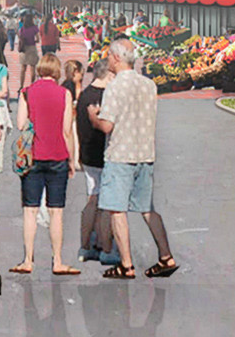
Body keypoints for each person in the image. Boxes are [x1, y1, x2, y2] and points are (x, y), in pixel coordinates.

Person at [88, 39, 178, 279]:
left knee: (117, 210)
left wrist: (94, 117)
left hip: (120, 155)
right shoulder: (149, 85)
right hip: (145, 153)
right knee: (147, 208)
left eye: (109, 56)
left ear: (117, 58)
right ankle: (166, 256)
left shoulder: (115, 87)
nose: (107, 60)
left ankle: (126, 265)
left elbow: (107, 126)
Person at [11, 54, 80, 276]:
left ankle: (28, 259)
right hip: (57, 155)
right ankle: (57, 260)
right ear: (57, 71)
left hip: (33, 157)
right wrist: (71, 160)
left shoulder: (27, 93)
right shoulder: (65, 94)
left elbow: (21, 124)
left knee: (30, 210)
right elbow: (67, 130)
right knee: (56, 211)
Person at [75, 62, 118, 266]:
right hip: (104, 155)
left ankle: (85, 245)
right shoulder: (107, 96)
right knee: (104, 202)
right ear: (108, 74)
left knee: (92, 198)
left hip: (88, 154)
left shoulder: (84, 94)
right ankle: (105, 245)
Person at [17, 15, 40, 89]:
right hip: (32, 48)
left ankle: (21, 85)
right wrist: (34, 41)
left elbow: (20, 37)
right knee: (32, 67)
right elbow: (38, 39)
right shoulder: (34, 28)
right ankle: (32, 84)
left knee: (23, 68)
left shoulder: (22, 29)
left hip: (24, 49)